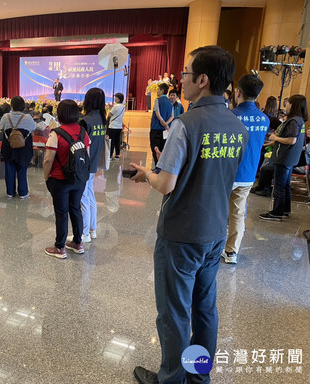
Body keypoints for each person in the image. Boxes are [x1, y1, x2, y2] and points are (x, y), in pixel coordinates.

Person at [129, 45, 248, 384]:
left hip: (181, 232)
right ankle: (199, 377)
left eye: (185, 73)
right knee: (205, 309)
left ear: (202, 79)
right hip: (214, 231)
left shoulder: (186, 123)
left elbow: (166, 184)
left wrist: (146, 173)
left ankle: (171, 379)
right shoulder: (237, 127)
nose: (180, 79)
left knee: (174, 313)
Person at [221, 74, 269, 264]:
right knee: (238, 213)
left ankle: (213, 248)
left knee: (218, 211)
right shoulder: (264, 120)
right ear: (257, 95)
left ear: (237, 92)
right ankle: (231, 252)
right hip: (248, 175)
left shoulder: (229, 116)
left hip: (227, 174)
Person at [43, 99, 91, 258]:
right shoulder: (84, 133)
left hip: (59, 179)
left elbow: (48, 159)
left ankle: (59, 247)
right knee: (75, 209)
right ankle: (78, 243)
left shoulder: (56, 134)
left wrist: (46, 177)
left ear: (60, 114)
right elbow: (87, 157)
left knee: (62, 212)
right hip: (79, 179)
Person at [259, 94, 308, 222]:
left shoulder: (294, 121)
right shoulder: (300, 120)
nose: (285, 105)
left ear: (293, 105)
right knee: (285, 185)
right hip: (291, 158)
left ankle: (276, 213)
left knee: (279, 185)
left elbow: (292, 140)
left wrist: (275, 138)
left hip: (285, 158)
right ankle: (285, 210)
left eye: (288, 103)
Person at [80, 88, 106, 243]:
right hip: (94, 162)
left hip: (85, 164)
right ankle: (92, 229)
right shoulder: (102, 119)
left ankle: (84, 234)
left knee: (83, 199)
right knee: (90, 196)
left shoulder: (85, 121)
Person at [0, 96, 35, 198]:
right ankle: (23, 192)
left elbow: (1, 127)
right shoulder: (28, 118)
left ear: (12, 106)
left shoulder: (6, 117)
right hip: (23, 149)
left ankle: (10, 192)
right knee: (22, 170)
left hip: (9, 147)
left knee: (9, 170)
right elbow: (33, 127)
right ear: (23, 107)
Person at [149, 83, 173, 166]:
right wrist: (166, 124)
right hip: (165, 130)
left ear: (162, 90)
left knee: (155, 148)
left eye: (158, 90)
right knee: (163, 149)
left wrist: (162, 121)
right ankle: (161, 167)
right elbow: (172, 116)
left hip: (156, 128)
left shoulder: (157, 100)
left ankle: (157, 167)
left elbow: (157, 112)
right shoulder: (170, 102)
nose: (157, 91)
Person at [107, 92, 125, 160]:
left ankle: (110, 156)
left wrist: (110, 109)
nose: (115, 98)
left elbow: (110, 115)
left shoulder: (115, 106)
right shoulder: (123, 106)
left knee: (111, 141)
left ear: (119, 99)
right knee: (117, 141)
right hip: (119, 126)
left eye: (116, 97)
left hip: (113, 126)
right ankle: (117, 155)